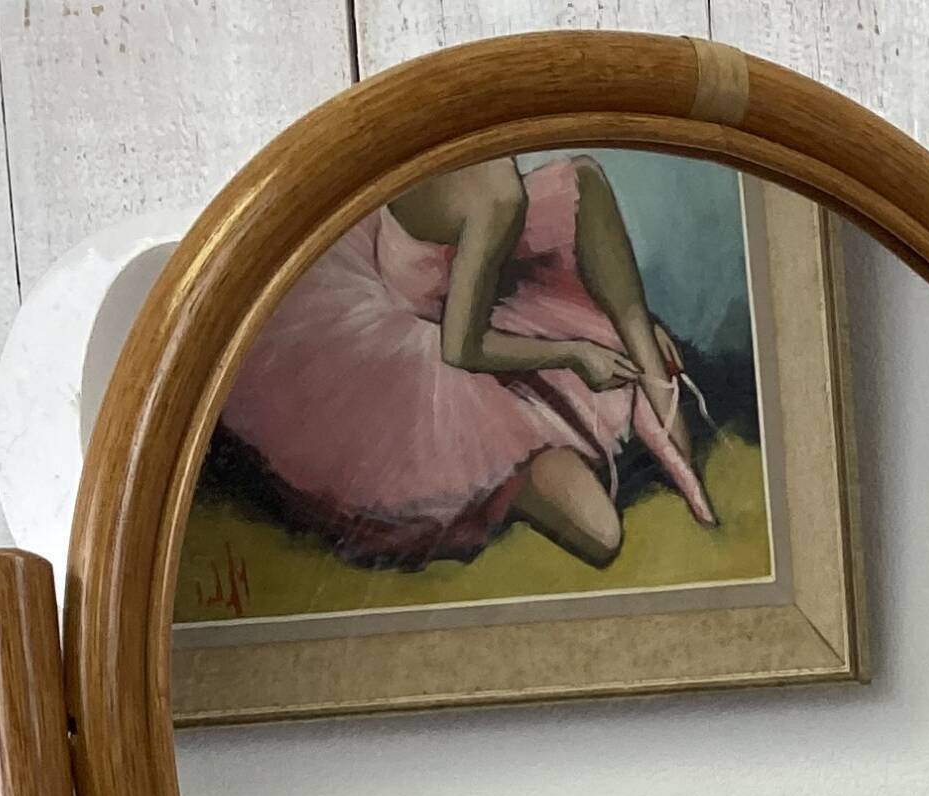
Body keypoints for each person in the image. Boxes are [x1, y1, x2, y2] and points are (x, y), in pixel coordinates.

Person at [207, 149, 718, 574]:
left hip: (475, 291)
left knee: (581, 186)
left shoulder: (519, 181)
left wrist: (633, 337)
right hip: (431, 344)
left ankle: (652, 385)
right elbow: (462, 350)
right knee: (601, 536)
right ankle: (511, 481)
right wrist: (575, 352)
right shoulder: (494, 192)